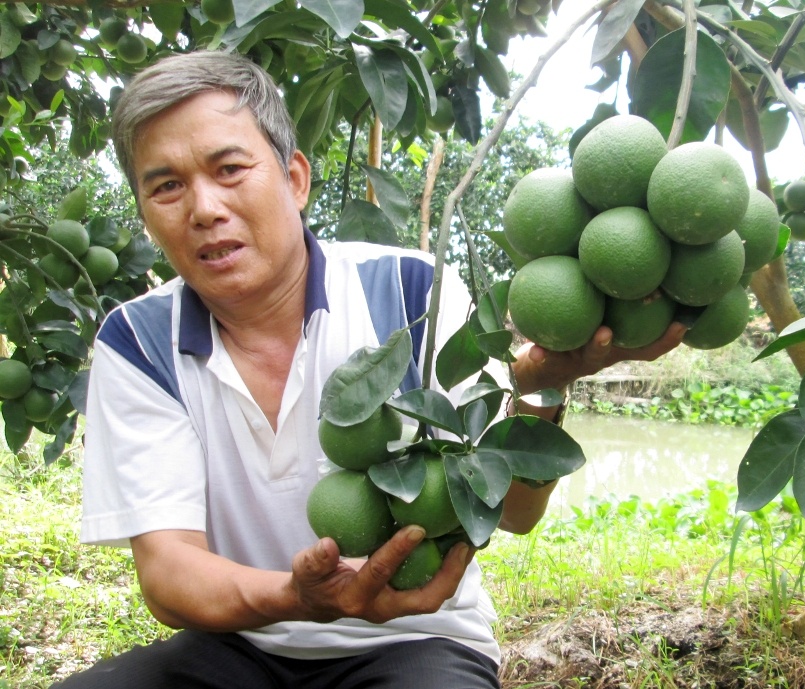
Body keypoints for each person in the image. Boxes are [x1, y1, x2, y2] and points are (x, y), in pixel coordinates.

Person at [54, 50, 684, 689]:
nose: (204, 208)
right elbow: (168, 573)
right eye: (167, 186)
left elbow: (514, 512)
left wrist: (545, 378)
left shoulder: (412, 292)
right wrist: (299, 598)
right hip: (238, 642)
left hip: (415, 641)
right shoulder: (137, 341)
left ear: (295, 179)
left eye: (230, 169)